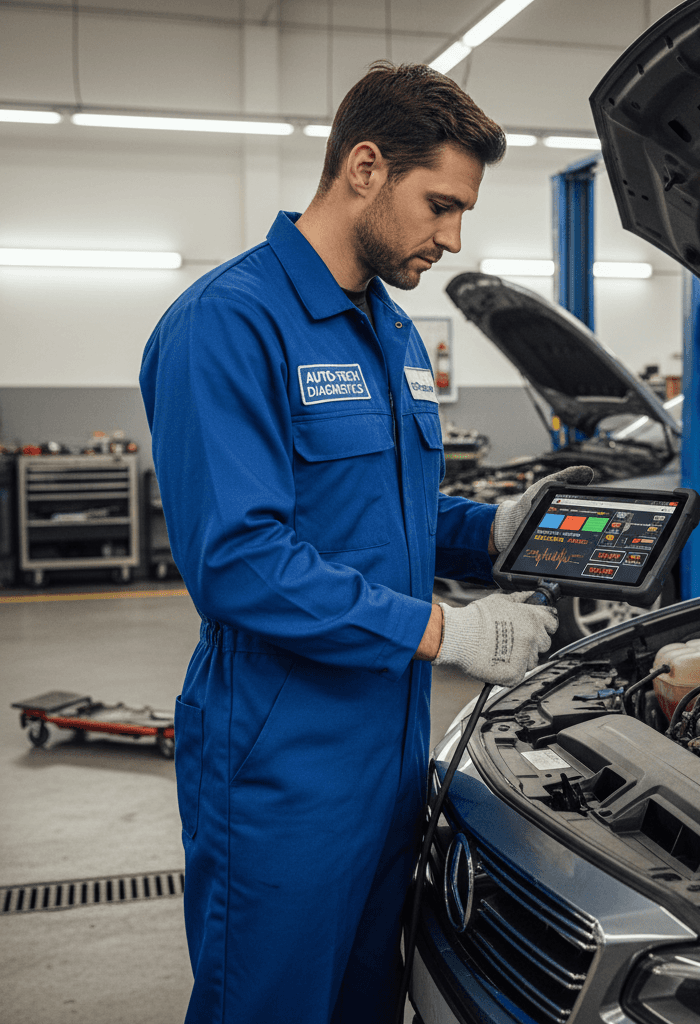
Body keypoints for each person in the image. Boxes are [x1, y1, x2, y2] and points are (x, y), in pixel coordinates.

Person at [140, 61, 591, 1023]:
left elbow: (386, 515)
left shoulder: (388, 333)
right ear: (365, 168)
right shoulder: (227, 325)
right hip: (279, 758)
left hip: (391, 757)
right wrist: (450, 634)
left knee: (365, 1005)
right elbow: (241, 563)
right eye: (439, 204)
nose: (453, 236)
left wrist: (495, 533)